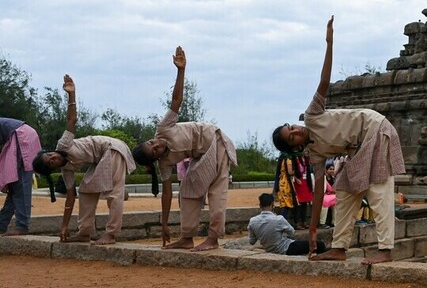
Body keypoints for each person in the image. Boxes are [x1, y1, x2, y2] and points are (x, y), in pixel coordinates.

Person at [271, 16, 406, 265]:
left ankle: (385, 249)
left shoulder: (312, 116)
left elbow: (324, 81)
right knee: (344, 189)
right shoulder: (315, 154)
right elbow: (319, 191)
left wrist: (329, 43)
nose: (297, 130)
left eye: (292, 127)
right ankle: (338, 247)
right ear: (295, 146)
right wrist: (312, 231)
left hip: (374, 129)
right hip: (358, 148)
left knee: (378, 191)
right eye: (292, 136)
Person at [132, 46, 238, 251]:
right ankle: (186, 237)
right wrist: (163, 224)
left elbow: (176, 101)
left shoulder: (163, 129)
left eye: (151, 142)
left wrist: (181, 70)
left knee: (217, 191)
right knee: (187, 190)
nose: (156, 145)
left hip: (215, 141)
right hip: (200, 155)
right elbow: (167, 194)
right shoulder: (164, 164)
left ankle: (213, 238)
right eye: (154, 150)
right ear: (155, 159)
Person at [32, 75, 136, 245]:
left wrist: (71, 94)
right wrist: (64, 226)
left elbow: (72, 120)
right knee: (86, 190)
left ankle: (111, 234)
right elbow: (70, 197)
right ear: (53, 169)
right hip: (100, 159)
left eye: (50, 155)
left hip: (112, 148)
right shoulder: (67, 172)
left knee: (114, 193)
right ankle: (85, 231)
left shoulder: (63, 145)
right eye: (51, 162)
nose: (54, 157)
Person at [0, 116, 42, 235]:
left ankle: (22, 226)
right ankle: (2, 224)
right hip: (24, 136)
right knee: (14, 187)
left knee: (21, 184)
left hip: (22, 137)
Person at [248, 193, 326, 255]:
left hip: (270, 249)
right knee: (320, 245)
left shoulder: (253, 221)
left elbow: (252, 241)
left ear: (260, 205)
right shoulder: (279, 219)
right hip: (287, 248)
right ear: (272, 205)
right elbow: (292, 232)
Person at [319, 162, 337, 228]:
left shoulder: (332, 178)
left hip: (329, 195)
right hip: (320, 195)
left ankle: (334, 222)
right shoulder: (321, 177)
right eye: (330, 169)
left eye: (333, 169)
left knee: (336, 199)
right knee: (325, 201)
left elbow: (331, 189)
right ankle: (322, 223)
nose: (332, 170)